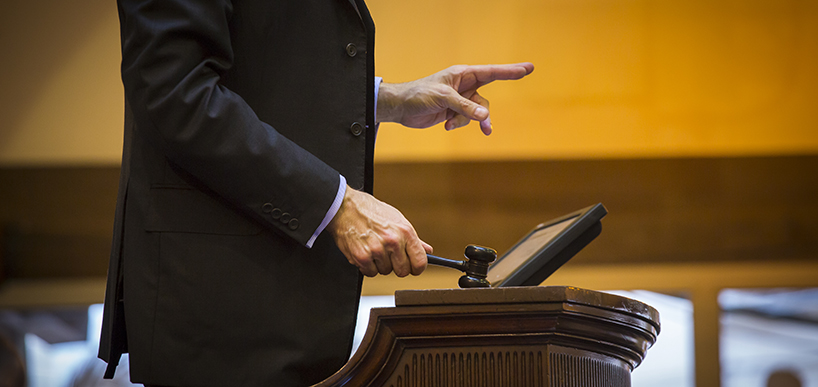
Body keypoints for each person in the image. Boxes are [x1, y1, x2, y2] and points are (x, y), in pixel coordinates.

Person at [98, 0, 534, 385]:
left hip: (275, 318)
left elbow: (264, 71)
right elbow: (174, 94)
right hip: (222, 316)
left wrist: (392, 99)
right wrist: (338, 205)